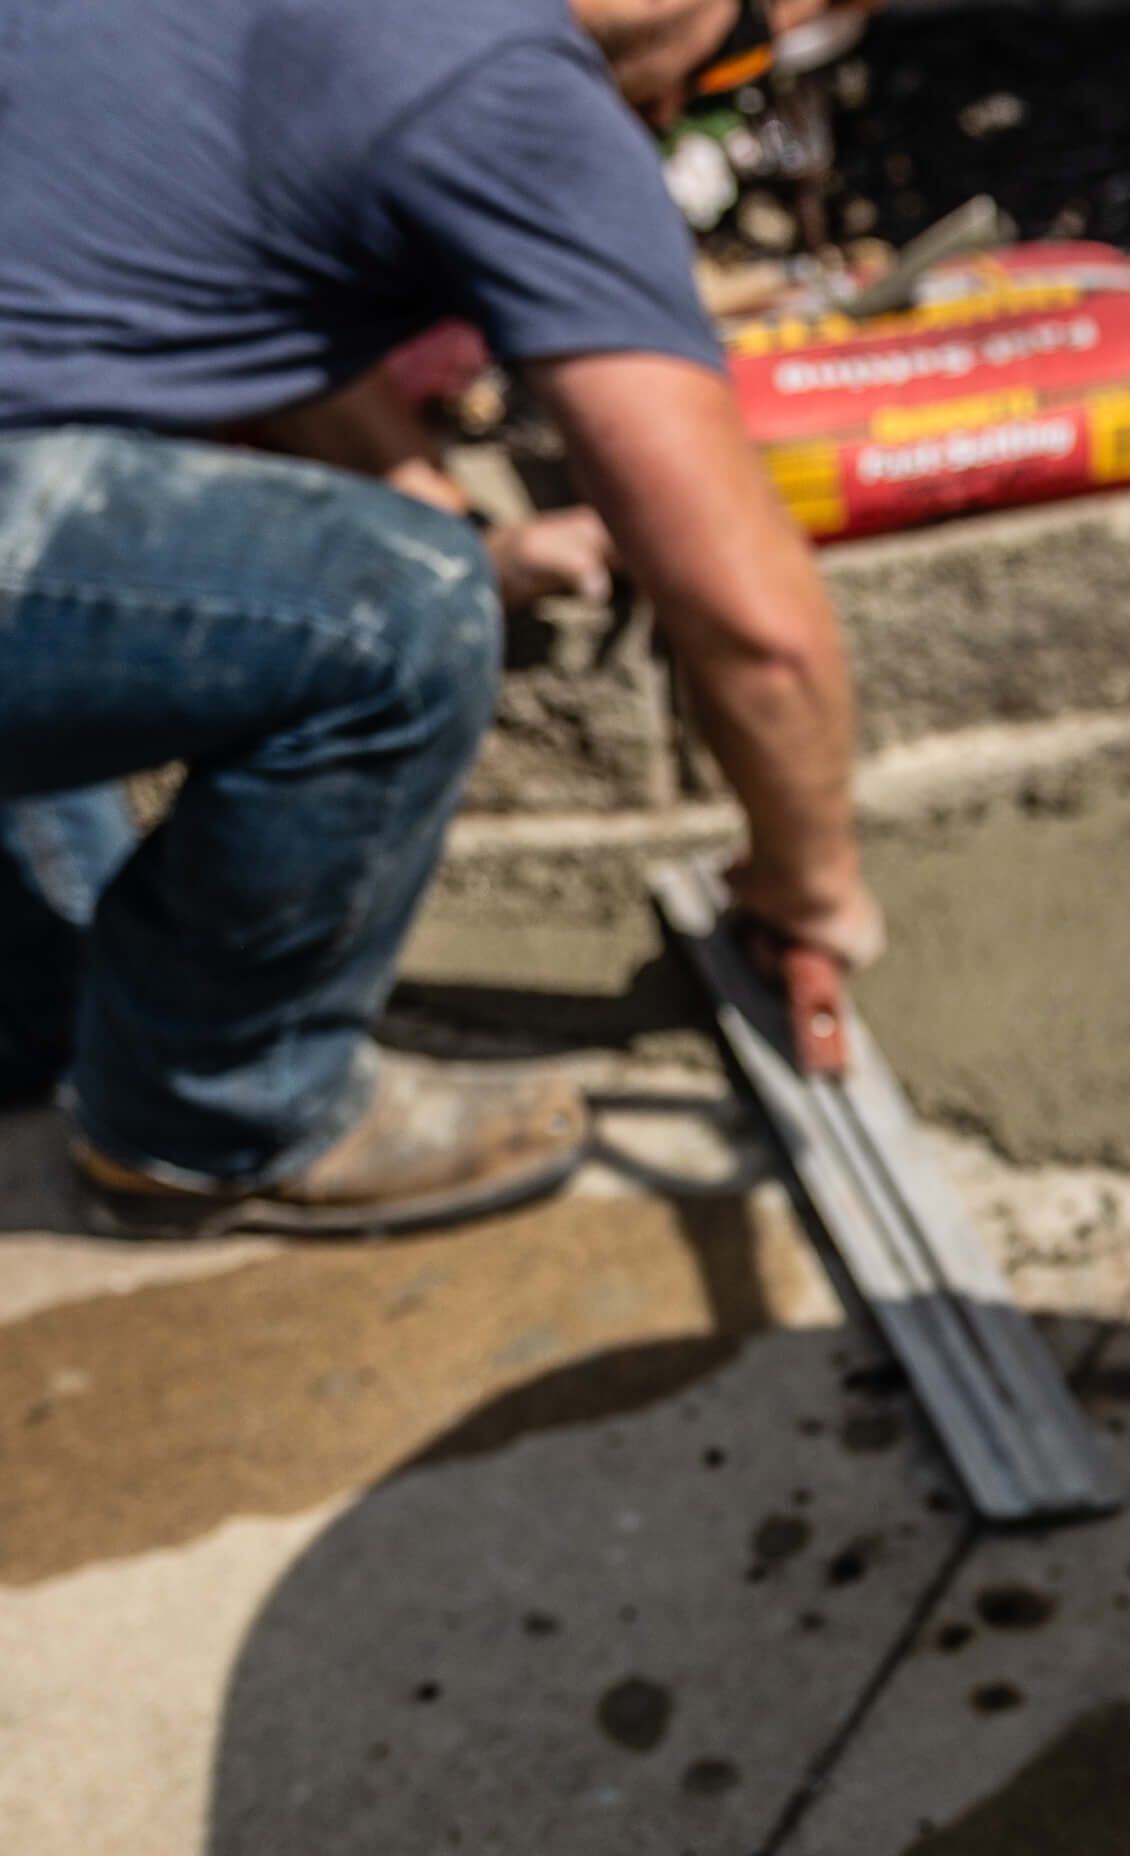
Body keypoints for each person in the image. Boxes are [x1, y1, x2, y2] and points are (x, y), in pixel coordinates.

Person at [0, 0, 883, 1234]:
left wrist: (446, 523)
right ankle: (215, 1128)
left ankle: (58, 1027)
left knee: (57, 1004)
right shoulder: (511, 90)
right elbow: (752, 624)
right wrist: (814, 884)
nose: (683, 109)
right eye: (741, 60)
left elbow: (253, 296)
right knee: (401, 613)